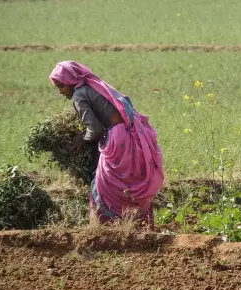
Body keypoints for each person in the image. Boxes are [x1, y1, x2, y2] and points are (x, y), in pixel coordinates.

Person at [49, 61, 164, 229]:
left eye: (61, 86)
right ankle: (141, 227)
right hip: (131, 136)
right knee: (129, 182)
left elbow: (94, 129)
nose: (61, 91)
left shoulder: (79, 95)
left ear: (71, 81)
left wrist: (82, 139)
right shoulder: (94, 86)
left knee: (104, 186)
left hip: (117, 141)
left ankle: (106, 230)